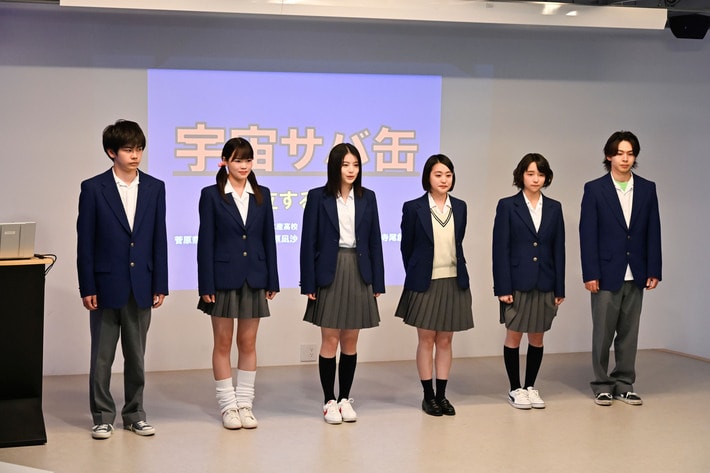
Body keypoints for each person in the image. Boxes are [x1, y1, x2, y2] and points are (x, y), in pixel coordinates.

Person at [77, 119, 168, 439]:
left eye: (139, 149)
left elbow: (159, 238)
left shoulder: (155, 187)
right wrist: (87, 286)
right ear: (111, 152)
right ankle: (102, 416)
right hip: (105, 285)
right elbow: (85, 242)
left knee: (137, 357)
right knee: (102, 358)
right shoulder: (93, 188)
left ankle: (135, 414)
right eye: (128, 149)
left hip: (141, 284)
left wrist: (160, 283)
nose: (135, 155)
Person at [197, 137, 279, 430]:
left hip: (255, 277)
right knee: (222, 342)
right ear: (225, 162)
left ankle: (245, 404)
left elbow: (268, 238)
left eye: (248, 160)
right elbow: (205, 242)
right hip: (222, 279)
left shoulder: (262, 194)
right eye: (237, 160)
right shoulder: (211, 195)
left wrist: (273, 278)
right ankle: (228, 406)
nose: (243, 166)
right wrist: (205, 284)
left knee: (248, 342)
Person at [300, 143, 385, 424]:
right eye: (346, 164)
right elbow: (308, 242)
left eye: (356, 165)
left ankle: (345, 398)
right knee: (330, 339)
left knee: (351, 340)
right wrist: (308, 283)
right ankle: (329, 401)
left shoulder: (368, 197)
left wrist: (378, 281)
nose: (351, 170)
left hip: (359, 271)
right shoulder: (318, 197)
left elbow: (374, 241)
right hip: (330, 270)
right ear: (335, 167)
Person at [580, 131, 662, 406]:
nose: (625, 158)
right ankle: (602, 384)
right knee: (602, 333)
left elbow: (653, 230)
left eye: (630, 153)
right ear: (609, 156)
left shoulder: (647, 188)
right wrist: (590, 273)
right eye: (619, 153)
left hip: (637, 272)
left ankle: (624, 383)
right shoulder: (595, 189)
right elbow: (587, 234)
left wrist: (654, 269)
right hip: (605, 273)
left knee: (629, 332)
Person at [395, 154, 473, 417]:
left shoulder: (459, 207)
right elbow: (406, 247)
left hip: (454, 280)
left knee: (446, 340)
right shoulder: (413, 207)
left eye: (448, 175)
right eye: (438, 174)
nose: (444, 180)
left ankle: (442, 395)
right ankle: (428, 396)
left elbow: (458, 242)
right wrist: (416, 272)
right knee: (426, 339)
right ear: (428, 177)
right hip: (425, 282)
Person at [492, 153, 565, 410]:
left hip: (545, 281)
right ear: (521, 175)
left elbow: (559, 249)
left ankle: (531, 387)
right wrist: (502, 287)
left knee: (537, 337)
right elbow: (500, 249)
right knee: (514, 335)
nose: (536, 179)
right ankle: (515, 388)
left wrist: (559, 287)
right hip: (516, 282)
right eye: (531, 173)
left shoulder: (554, 207)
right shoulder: (507, 205)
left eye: (541, 174)